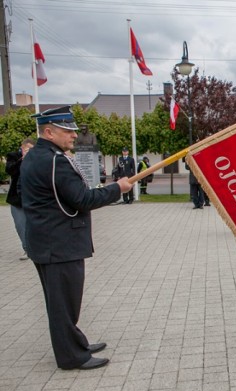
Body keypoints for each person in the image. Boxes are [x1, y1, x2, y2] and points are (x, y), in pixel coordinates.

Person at [20, 106, 134, 370]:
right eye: (67, 131)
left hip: (48, 241)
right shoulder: (54, 161)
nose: (73, 136)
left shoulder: (36, 156)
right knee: (63, 303)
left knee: (63, 302)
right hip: (58, 243)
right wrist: (117, 188)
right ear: (48, 132)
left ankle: (75, 343)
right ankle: (72, 356)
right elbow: (83, 199)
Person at [6, 138, 35, 260]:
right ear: (22, 148)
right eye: (27, 149)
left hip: (33, 198)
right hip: (16, 199)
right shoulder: (13, 156)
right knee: (20, 225)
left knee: (34, 225)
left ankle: (34, 249)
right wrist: (21, 160)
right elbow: (10, 170)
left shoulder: (37, 158)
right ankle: (27, 249)